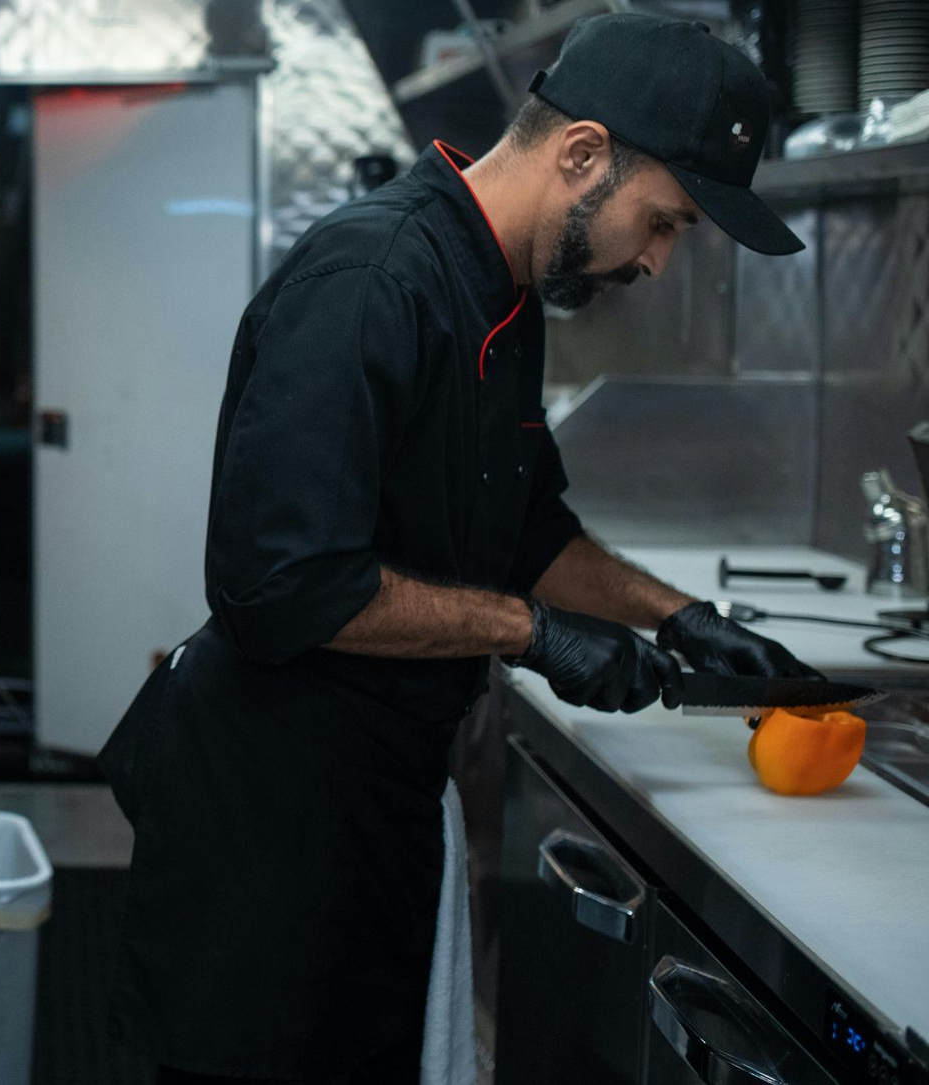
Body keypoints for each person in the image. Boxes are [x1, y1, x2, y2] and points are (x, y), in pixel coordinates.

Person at [98, 15, 821, 1083]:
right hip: (271, 819)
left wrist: (675, 617)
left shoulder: (510, 296)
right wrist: (535, 635)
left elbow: (529, 531)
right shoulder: (372, 281)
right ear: (581, 152)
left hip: (380, 796)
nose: (660, 261)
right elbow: (281, 581)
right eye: (662, 221)